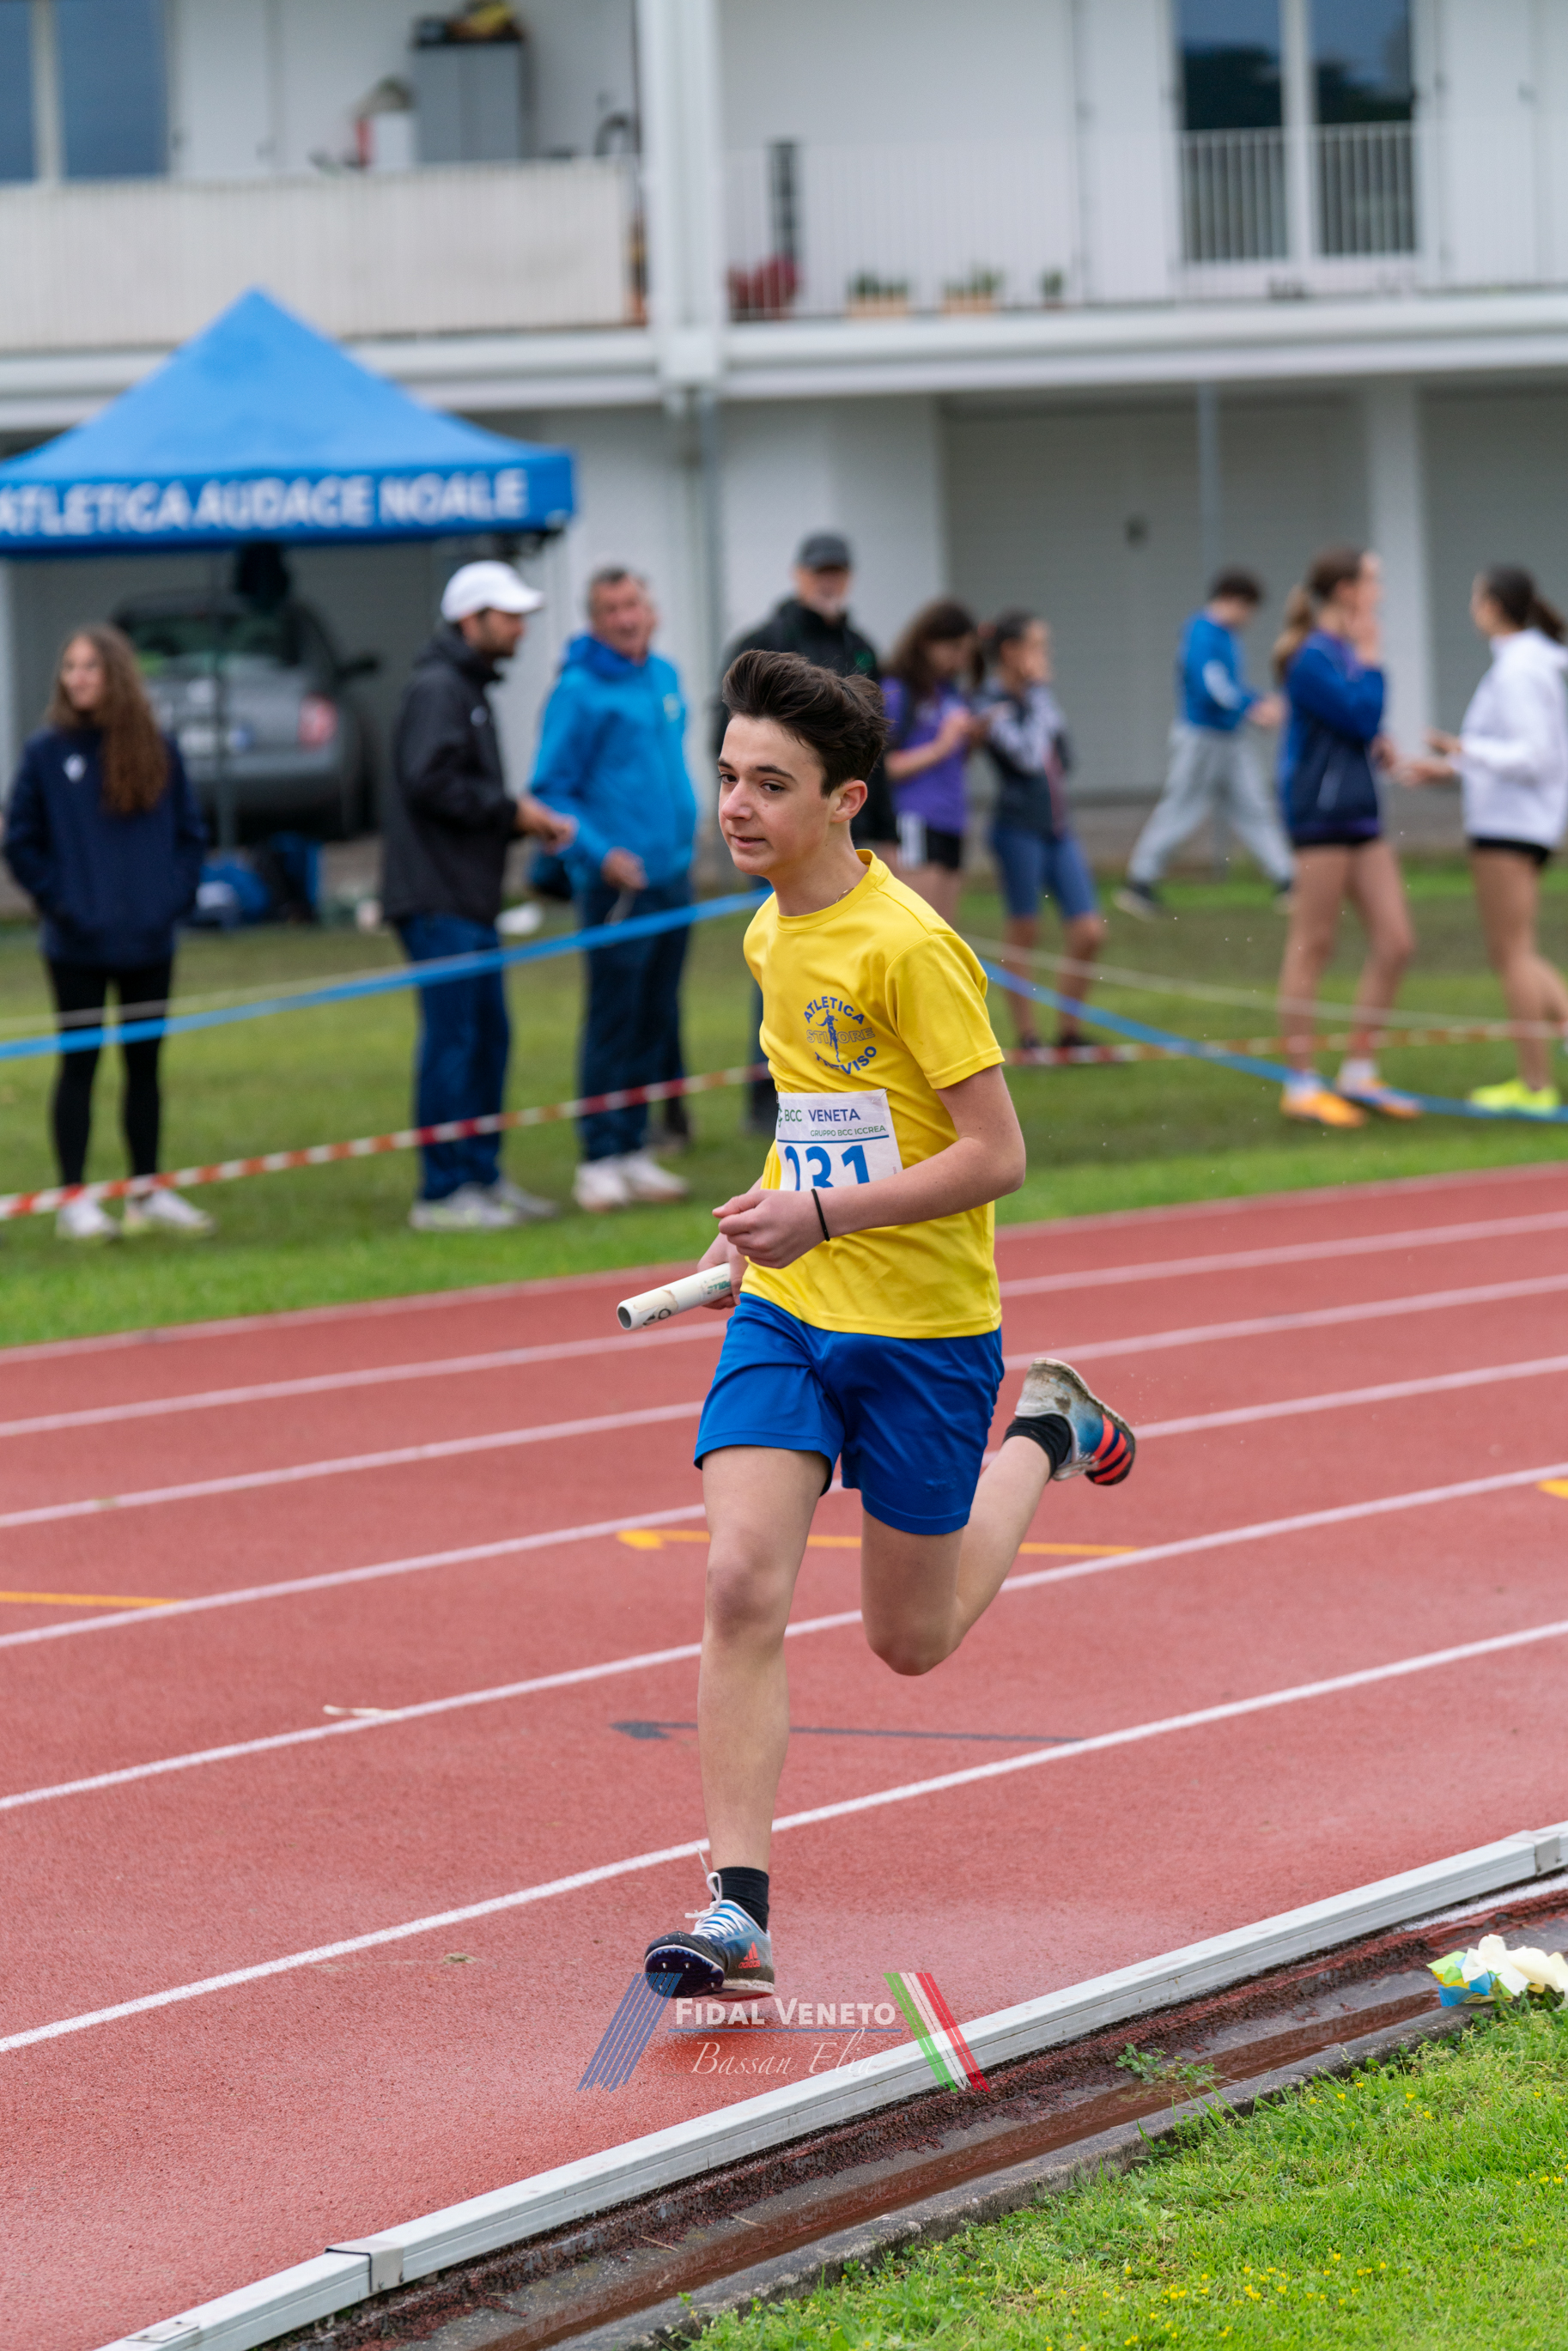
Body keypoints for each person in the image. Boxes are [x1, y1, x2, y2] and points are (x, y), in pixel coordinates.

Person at [640, 649, 1135, 2001]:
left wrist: (823, 1214)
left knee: (908, 1641)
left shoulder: (910, 946)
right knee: (739, 1578)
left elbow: (996, 1155)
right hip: (792, 1312)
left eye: (769, 783)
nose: (735, 805)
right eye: (727, 776)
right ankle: (736, 1912)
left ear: (845, 797)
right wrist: (759, 1221)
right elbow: (818, 1119)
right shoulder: (766, 932)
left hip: (921, 1328)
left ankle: (1047, 1425)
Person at [381, 560, 576, 1233]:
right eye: (509, 616)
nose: (520, 628)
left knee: (488, 1039)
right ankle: (442, 1191)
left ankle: (481, 1176)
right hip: (438, 898)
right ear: (472, 620)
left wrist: (510, 812)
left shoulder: (465, 686)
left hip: (468, 898)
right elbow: (429, 781)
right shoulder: (439, 688)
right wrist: (510, 811)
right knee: (454, 1042)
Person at [4, 624, 210, 1242]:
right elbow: (21, 841)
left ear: (115, 673)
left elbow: (190, 835)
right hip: (77, 946)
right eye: (70, 667)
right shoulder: (46, 753)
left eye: (90, 666)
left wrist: (168, 902)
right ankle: (74, 1199)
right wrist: (65, 904)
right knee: (80, 1066)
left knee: (145, 1067)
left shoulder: (157, 749)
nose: (78, 678)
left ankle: (147, 1190)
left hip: (149, 940)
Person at [532, 567, 698, 1213]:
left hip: (673, 876)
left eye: (633, 604)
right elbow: (551, 790)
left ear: (649, 609)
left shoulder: (665, 676)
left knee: (657, 1014)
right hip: (616, 888)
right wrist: (601, 854)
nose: (626, 618)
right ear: (595, 620)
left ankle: (633, 1145)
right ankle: (598, 1156)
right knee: (614, 1017)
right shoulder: (578, 691)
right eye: (611, 609)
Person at [718, 531, 892, 1134]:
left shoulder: (861, 649)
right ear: (797, 574)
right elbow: (731, 744)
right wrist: (756, 795)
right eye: (819, 570)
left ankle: (850, 1098)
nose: (828, 581)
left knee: (848, 973)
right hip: (787, 842)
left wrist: (885, 830)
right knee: (783, 968)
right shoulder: (764, 642)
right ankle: (772, 1100)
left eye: (838, 571)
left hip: (843, 837)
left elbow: (878, 755)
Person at [1401, 565, 1568, 1114]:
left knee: (1512, 955)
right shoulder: (1527, 662)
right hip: (1520, 823)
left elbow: (1534, 754)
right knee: (1516, 951)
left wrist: (1465, 751)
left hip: (1511, 827)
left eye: (1476, 597)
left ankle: (1536, 1087)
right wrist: (1451, 767)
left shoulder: (1519, 669)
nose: (1472, 606)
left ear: (1494, 606)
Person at [1273, 546, 1419, 1127]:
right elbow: (1359, 714)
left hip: (1361, 815)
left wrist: (1375, 744)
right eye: (1371, 582)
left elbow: (1360, 723)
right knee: (1313, 944)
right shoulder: (1311, 657)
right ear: (1344, 590)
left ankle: (1359, 1070)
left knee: (1396, 942)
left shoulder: (1342, 653)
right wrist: (1373, 659)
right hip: (1320, 819)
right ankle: (1301, 1083)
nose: (1378, 593)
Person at [1116, 569, 1292, 920]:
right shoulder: (1201, 632)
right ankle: (1139, 883)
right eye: (1248, 609)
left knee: (1254, 806)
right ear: (1232, 600)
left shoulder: (1226, 636)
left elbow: (1230, 686)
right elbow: (1213, 687)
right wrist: (1254, 708)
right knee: (1182, 809)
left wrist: (1256, 703)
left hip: (1230, 738)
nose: (1249, 618)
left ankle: (1289, 880)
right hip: (1201, 739)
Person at [976, 610, 1105, 1055]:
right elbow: (1029, 757)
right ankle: (1028, 1038)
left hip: (1057, 828)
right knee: (1025, 931)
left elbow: (1064, 755)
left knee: (1089, 931)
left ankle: (1069, 1033)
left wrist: (1037, 695)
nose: (1044, 656)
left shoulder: (1036, 698)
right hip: (1017, 829)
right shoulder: (989, 702)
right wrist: (1035, 695)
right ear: (1011, 652)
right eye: (1036, 647)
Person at [881, 598, 985, 924]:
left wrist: (970, 741)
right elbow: (885, 766)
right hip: (916, 819)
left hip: (953, 819)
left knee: (943, 933)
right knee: (917, 929)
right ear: (926, 642)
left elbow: (954, 762)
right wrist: (941, 745)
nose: (960, 660)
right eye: (953, 649)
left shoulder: (950, 692)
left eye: (966, 652)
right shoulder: (898, 691)